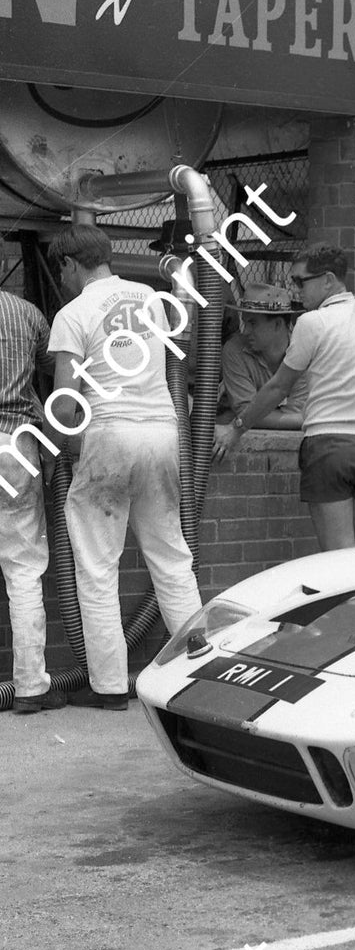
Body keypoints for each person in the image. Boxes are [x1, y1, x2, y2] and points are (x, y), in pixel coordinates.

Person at [46, 226, 202, 710]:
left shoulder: (73, 314)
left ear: (70, 263)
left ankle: (110, 687)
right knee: (172, 558)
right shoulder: (152, 299)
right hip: (162, 432)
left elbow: (65, 404)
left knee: (97, 567)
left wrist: (56, 451)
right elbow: (178, 359)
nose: (61, 279)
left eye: (60, 270)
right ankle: (203, 675)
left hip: (110, 435)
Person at [215, 243, 355, 551]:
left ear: (328, 280)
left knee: (338, 557)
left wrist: (237, 428)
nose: (296, 290)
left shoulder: (312, 322)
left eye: (300, 281)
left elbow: (278, 388)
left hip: (328, 446)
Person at [0, 286, 61, 714]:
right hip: (15, 445)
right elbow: (57, 367)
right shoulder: (25, 312)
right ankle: (30, 687)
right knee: (23, 569)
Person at [213, 283, 308, 450]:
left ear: (278, 324)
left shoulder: (303, 349)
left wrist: (251, 416)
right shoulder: (234, 350)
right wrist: (301, 419)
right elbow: (244, 411)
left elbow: (297, 411)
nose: (245, 331)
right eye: (245, 322)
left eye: (253, 323)